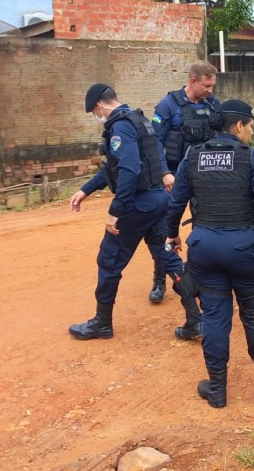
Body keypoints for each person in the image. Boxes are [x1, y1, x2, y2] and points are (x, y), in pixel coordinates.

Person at [166, 99, 254, 408]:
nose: (252, 132)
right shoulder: (252, 159)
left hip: (204, 247)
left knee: (214, 317)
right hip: (245, 249)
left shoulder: (192, 156)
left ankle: (216, 389)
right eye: (251, 126)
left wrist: (173, 234)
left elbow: (176, 202)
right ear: (238, 126)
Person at [67, 83, 201, 341]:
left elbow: (129, 170)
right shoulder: (140, 119)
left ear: (98, 106)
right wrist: (86, 190)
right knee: (167, 257)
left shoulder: (120, 127)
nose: (97, 118)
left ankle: (102, 323)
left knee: (109, 260)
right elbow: (113, 169)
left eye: (94, 113)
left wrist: (115, 211)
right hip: (158, 201)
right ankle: (196, 318)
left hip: (137, 205)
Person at [144, 61, 221, 304]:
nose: (210, 89)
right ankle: (160, 279)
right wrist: (164, 173)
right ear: (193, 81)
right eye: (206, 85)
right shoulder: (168, 105)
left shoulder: (213, 105)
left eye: (212, 85)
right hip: (174, 175)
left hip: (204, 175)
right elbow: (154, 142)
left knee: (204, 226)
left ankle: (203, 275)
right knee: (165, 229)